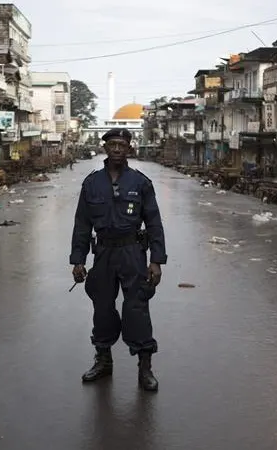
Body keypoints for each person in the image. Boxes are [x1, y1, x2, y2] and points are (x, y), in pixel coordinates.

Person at [69, 128, 167, 392]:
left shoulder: (140, 183)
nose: (116, 149)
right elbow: (81, 224)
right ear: (105, 148)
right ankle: (103, 361)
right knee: (102, 308)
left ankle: (145, 368)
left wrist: (156, 260)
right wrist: (78, 259)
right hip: (103, 254)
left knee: (136, 307)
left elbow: (154, 222)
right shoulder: (92, 183)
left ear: (129, 149)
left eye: (121, 145)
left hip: (132, 252)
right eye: (112, 144)